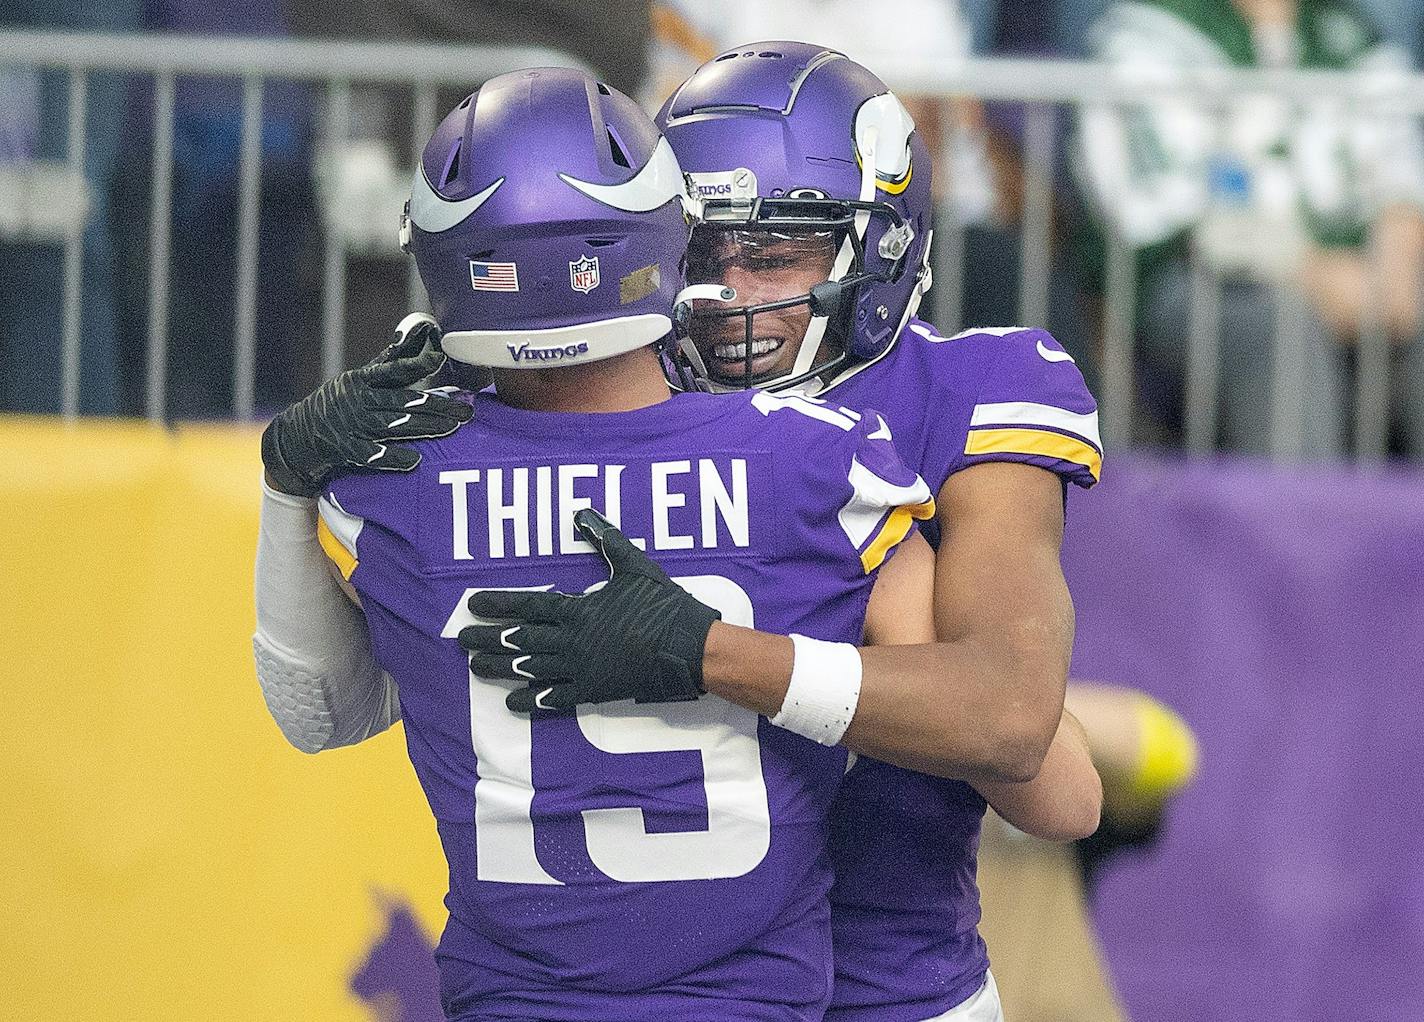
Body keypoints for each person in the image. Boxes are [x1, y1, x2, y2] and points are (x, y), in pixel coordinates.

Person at [253, 66, 1083, 1020]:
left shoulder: (412, 478)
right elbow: (1060, 788)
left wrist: (713, 653)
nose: (730, 293)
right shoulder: (825, 467)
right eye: (707, 250)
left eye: (776, 253)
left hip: (883, 982)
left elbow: (1032, 751)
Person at [1072, 0, 1424, 456]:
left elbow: (1398, 176)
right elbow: (1159, 208)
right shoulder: (1148, 29)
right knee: (1281, 334)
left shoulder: (1349, 31)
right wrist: (1313, 273)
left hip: (1358, 280)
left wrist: (1392, 279)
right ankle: (1296, 525)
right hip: (1189, 283)